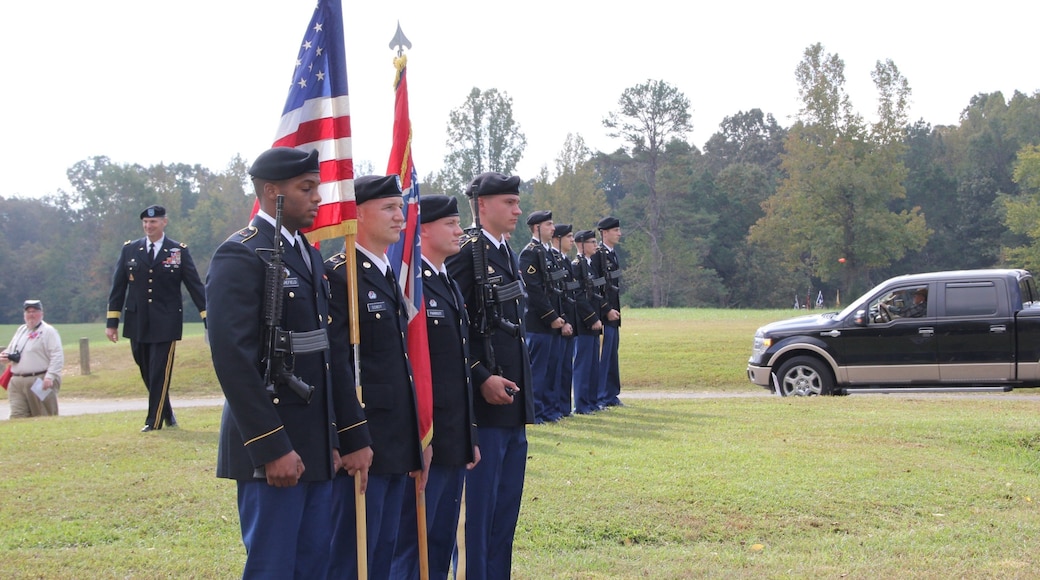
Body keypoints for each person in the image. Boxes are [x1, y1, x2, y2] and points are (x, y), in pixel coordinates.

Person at [207, 147, 372, 578]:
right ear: (271, 192)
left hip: (315, 441)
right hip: (274, 442)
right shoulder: (241, 254)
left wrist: (343, 435)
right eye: (306, 188)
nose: (318, 196)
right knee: (274, 566)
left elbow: (328, 355)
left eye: (316, 185)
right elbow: (233, 361)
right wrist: (270, 447)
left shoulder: (308, 254)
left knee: (312, 564)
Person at [325, 174, 426, 579]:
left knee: (382, 550)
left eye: (400, 207)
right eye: (388, 208)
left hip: (394, 435)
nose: (400, 217)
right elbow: (336, 362)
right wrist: (351, 435)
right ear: (357, 215)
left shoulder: (386, 274)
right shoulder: (340, 275)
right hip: (364, 436)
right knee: (353, 555)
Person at [446, 171, 534, 580]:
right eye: (509, 203)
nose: (518, 210)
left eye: (517, 203)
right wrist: (480, 375)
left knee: (503, 518)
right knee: (476, 520)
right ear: (482, 206)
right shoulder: (467, 253)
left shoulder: (504, 251)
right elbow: (452, 332)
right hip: (483, 407)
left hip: (511, 405)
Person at [391, 194, 480, 579]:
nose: (460, 231)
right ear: (422, 229)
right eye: (451, 224)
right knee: (414, 545)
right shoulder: (412, 286)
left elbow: (457, 368)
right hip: (427, 438)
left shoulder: (445, 282)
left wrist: (468, 436)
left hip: (450, 437)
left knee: (441, 540)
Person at [106, 204, 207, 432]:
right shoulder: (130, 250)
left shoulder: (177, 251)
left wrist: (207, 316)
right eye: (145, 223)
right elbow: (118, 288)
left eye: (153, 222)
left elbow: (194, 285)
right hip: (137, 321)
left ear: (164, 222)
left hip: (166, 321)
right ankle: (167, 412)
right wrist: (112, 322)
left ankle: (153, 421)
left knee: (159, 371)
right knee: (146, 369)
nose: (148, 226)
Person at [519, 210, 572, 423]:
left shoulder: (549, 253)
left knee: (552, 369)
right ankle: (537, 411)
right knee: (538, 371)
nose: (553, 228)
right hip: (539, 321)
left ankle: (550, 409)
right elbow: (534, 290)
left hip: (553, 321)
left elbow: (557, 289)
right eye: (549, 224)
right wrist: (551, 316)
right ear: (536, 227)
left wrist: (560, 317)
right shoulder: (530, 253)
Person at [2, 300, 63, 417]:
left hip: (39, 379)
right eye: (28, 312)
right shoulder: (21, 330)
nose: (31, 315)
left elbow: (57, 355)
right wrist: (5, 356)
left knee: (44, 415)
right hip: (17, 381)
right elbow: (11, 350)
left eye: (34, 311)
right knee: (17, 415)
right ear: (24, 315)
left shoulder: (48, 331)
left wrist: (50, 376)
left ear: (41, 314)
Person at [571, 230, 604, 414]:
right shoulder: (576, 266)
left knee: (593, 364)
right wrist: (592, 318)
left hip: (595, 322)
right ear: (581, 245)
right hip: (584, 323)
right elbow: (578, 296)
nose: (595, 245)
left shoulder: (591, 266)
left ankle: (592, 401)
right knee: (583, 365)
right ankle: (582, 404)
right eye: (592, 242)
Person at [592, 216, 623, 408]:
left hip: (614, 313)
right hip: (605, 315)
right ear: (604, 233)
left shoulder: (612, 254)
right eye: (615, 230)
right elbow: (595, 288)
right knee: (605, 357)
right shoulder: (598, 255)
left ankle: (611, 394)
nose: (619, 233)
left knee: (612, 356)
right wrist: (606, 310)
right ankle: (602, 395)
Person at [551, 223, 578, 418]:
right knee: (553, 370)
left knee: (565, 369)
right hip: (557, 322)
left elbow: (570, 293)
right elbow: (555, 296)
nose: (572, 240)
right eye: (568, 237)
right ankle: (552, 408)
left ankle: (563, 407)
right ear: (557, 239)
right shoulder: (551, 259)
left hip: (569, 320)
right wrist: (562, 320)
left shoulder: (564, 260)